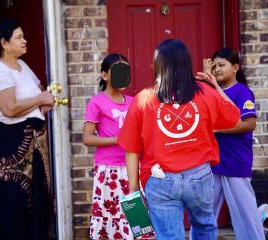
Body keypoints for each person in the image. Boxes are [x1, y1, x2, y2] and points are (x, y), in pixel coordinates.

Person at [118, 39, 241, 240]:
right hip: (200, 177)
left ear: (157, 65)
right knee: (205, 227)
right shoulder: (205, 92)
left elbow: (131, 148)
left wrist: (133, 190)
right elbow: (234, 118)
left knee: (169, 237)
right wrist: (216, 87)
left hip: (160, 180)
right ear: (187, 63)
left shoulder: (143, 99)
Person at [0, 19, 54, 240]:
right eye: (19, 37)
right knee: (13, 204)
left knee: (38, 203)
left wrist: (43, 101)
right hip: (8, 144)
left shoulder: (22, 66)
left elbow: (39, 90)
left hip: (33, 145)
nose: (25, 41)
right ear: (4, 43)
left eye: (24, 36)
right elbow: (9, 109)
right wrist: (40, 99)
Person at [203, 48, 265, 240]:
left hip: (236, 163)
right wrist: (206, 80)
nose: (217, 69)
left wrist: (218, 130)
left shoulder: (242, 92)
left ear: (235, 68)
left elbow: (249, 123)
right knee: (205, 212)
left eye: (221, 65)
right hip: (213, 162)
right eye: (214, 66)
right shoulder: (210, 90)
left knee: (245, 214)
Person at [83, 53, 134, 239]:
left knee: (135, 217)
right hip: (109, 170)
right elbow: (87, 138)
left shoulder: (133, 102)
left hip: (132, 167)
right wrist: (118, 139)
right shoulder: (97, 102)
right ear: (105, 75)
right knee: (112, 217)